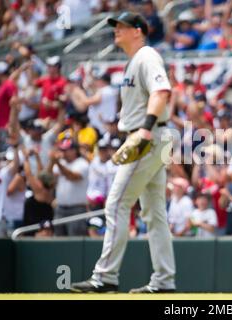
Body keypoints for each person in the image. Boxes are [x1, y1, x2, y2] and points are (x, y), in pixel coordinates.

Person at [70, 12, 176, 293]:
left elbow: (162, 91)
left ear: (139, 31)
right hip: (151, 136)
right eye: (115, 26)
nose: (116, 30)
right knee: (154, 213)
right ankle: (164, 281)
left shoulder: (147, 56)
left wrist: (145, 129)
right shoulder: (135, 60)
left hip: (148, 136)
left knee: (116, 204)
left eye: (123, 26)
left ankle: (104, 277)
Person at [48, 139, 89, 236]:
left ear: (74, 150)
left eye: (65, 150)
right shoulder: (61, 163)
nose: (63, 153)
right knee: (59, 242)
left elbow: (73, 177)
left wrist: (57, 163)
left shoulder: (82, 163)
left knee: (75, 242)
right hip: (60, 209)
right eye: (61, 150)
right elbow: (48, 179)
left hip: (77, 210)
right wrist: (52, 162)